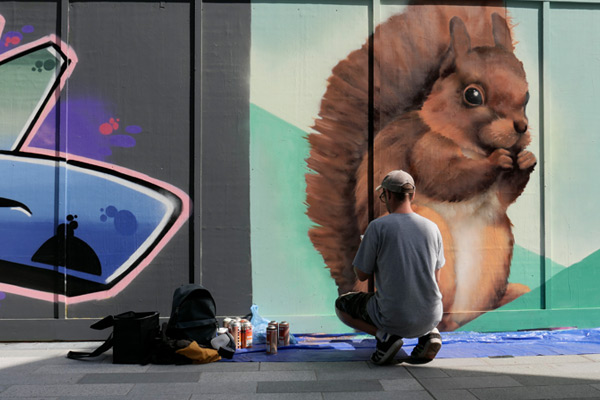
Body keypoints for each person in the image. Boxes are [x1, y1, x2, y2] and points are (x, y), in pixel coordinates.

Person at [334, 170, 445, 365]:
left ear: (389, 195)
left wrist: (368, 250)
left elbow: (361, 274)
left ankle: (385, 337)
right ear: (412, 195)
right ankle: (429, 334)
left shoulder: (378, 227)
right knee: (420, 302)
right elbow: (435, 278)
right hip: (432, 314)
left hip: (393, 317)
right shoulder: (432, 227)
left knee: (342, 305)